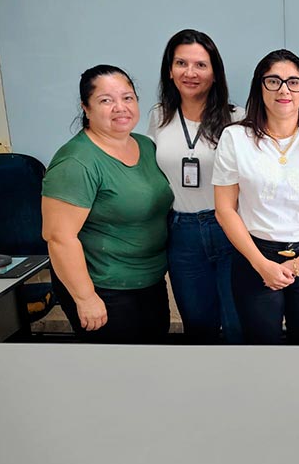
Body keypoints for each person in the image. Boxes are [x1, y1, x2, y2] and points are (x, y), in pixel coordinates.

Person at [213, 49, 299, 345]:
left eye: (293, 82)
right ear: (259, 88)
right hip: (255, 255)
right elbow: (225, 210)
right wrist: (261, 264)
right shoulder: (235, 138)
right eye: (273, 81)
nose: (284, 90)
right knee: (262, 344)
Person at [42, 65, 174, 343]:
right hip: (104, 289)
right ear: (86, 108)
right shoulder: (76, 161)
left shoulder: (146, 146)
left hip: (148, 281)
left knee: (154, 358)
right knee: (115, 366)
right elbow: (59, 238)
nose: (120, 108)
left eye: (127, 98)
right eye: (106, 100)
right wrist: (85, 297)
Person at [148, 29, 244, 344]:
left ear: (215, 73)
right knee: (198, 328)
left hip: (230, 228)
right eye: (181, 63)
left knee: (238, 326)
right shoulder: (159, 117)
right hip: (182, 232)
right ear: (170, 70)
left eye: (201, 65)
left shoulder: (237, 119)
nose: (190, 73)